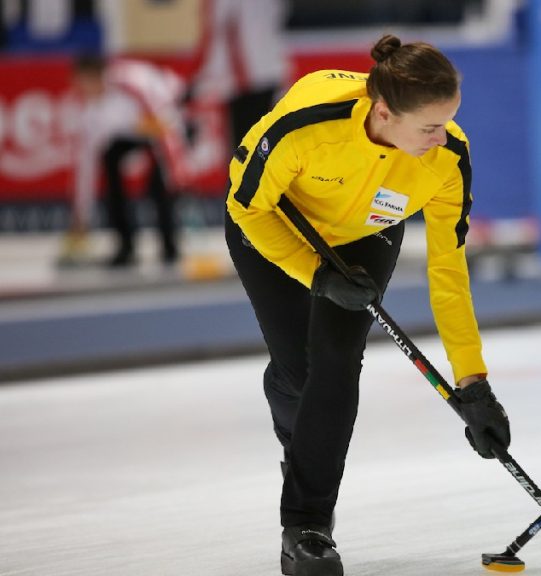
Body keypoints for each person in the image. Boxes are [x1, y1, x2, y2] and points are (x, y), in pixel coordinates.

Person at [224, 34, 511, 576]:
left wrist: (473, 383)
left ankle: (306, 527)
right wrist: (315, 274)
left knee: (335, 364)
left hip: (362, 236)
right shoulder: (307, 125)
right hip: (274, 224)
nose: (441, 136)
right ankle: (297, 409)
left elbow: (448, 274)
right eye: (429, 126)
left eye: (447, 122)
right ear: (384, 111)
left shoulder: (447, 158)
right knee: (300, 374)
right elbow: (248, 208)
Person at [68, 54, 188, 267]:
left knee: (160, 183)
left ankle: (170, 246)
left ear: (97, 76)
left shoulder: (133, 84)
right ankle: (125, 247)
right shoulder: (91, 113)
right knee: (110, 163)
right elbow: (86, 168)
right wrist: (81, 217)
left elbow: (170, 126)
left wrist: (177, 174)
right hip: (133, 132)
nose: (83, 90)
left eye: (85, 83)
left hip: (165, 120)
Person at [190, 0, 290, 153]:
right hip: (269, 71)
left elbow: (220, 35)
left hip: (247, 82)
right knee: (266, 146)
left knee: (247, 151)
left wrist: (204, 79)